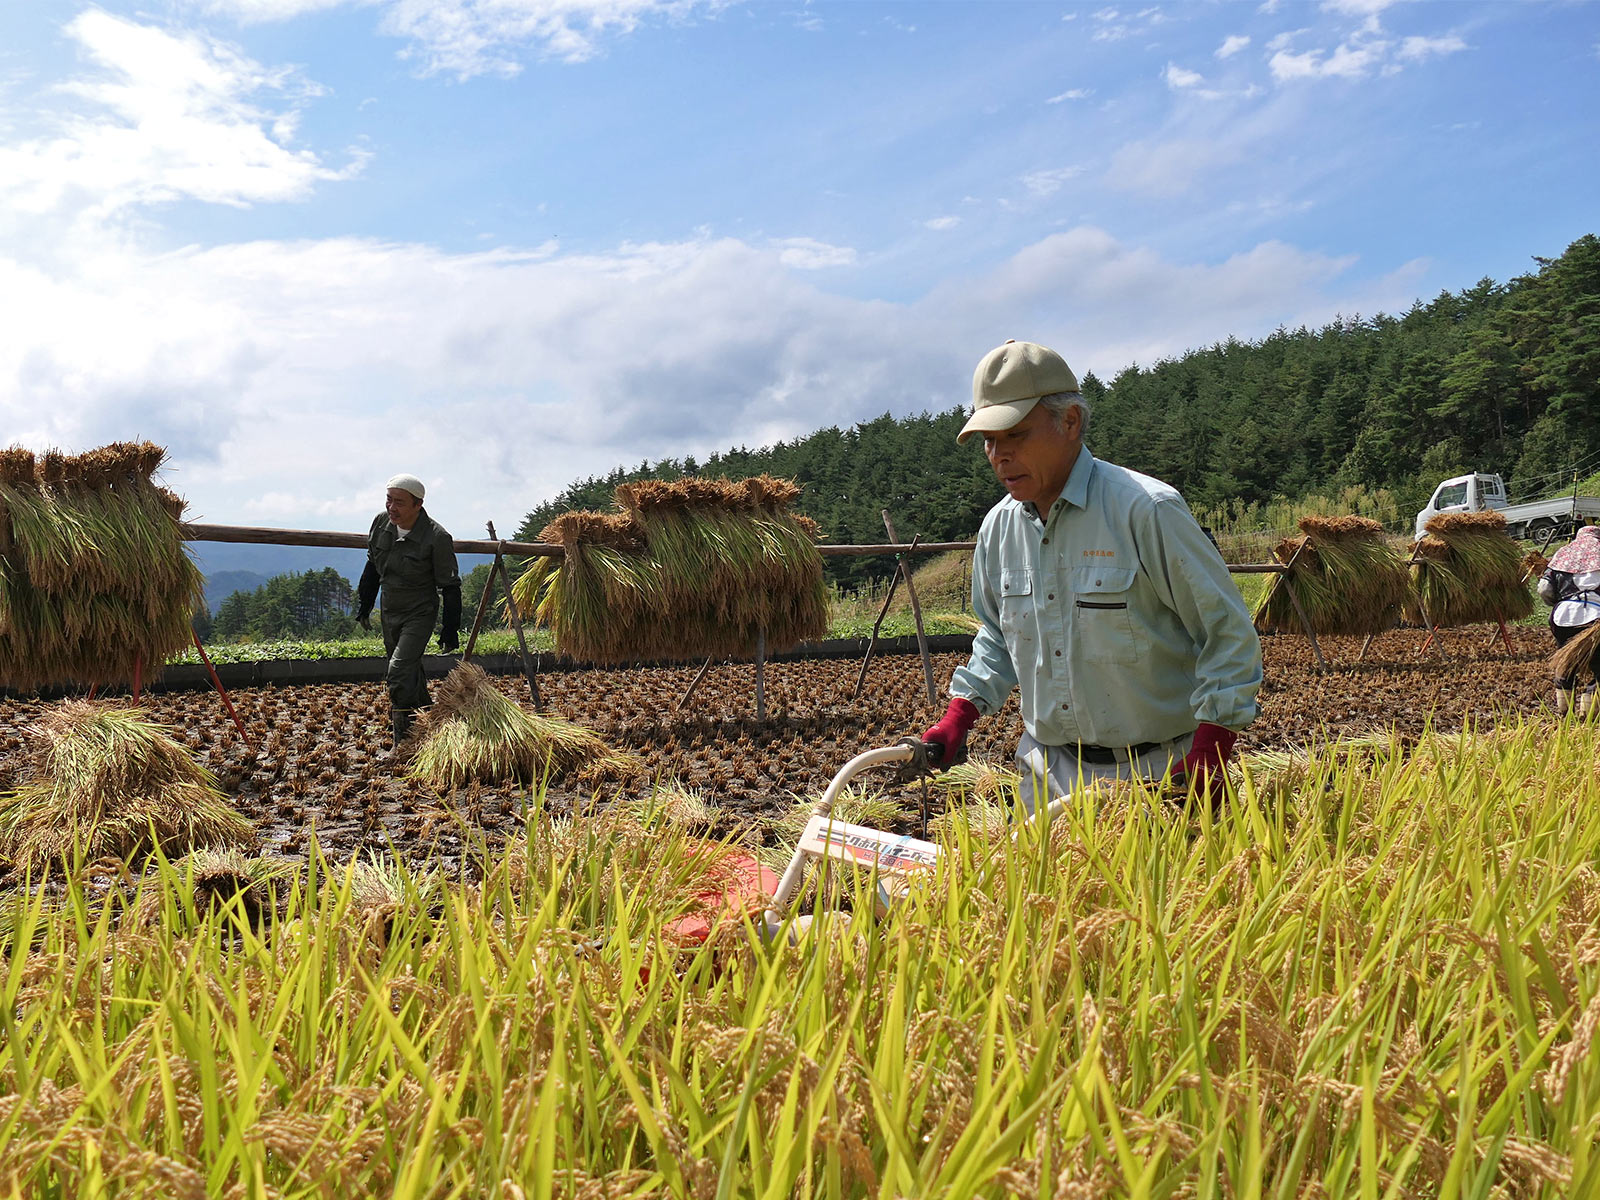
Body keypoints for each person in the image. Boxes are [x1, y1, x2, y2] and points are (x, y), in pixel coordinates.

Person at [920, 340, 1263, 813]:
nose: (999, 455)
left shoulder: (1146, 510)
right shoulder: (998, 530)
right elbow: (998, 636)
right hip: (1048, 775)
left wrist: (1213, 745)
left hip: (1159, 774)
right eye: (989, 441)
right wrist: (962, 711)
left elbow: (1225, 633)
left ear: (1070, 422)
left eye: (1015, 435)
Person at [356, 474, 462, 744]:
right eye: (389, 500)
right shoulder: (381, 524)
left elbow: (450, 587)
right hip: (389, 609)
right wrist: (365, 605)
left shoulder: (437, 538)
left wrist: (450, 630)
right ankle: (428, 728)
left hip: (419, 612)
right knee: (409, 672)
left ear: (418, 505)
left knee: (399, 670)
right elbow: (372, 566)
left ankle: (402, 742)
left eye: (400, 503)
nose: (392, 508)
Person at [1538, 524, 1600, 716]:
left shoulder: (1563, 554)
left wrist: (1557, 602)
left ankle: (1565, 712)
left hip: (1562, 618)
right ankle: (1588, 714)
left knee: (1566, 664)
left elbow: (1543, 589)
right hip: (1595, 619)